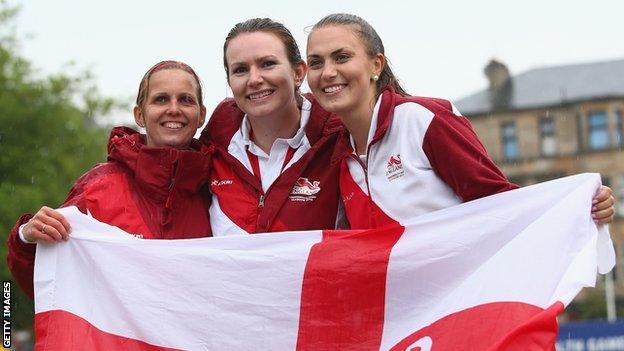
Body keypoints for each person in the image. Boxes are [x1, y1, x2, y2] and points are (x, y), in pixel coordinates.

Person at [305, 13, 615, 229]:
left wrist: (576, 207)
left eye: (341, 57)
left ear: (376, 64)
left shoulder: (424, 120)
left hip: (452, 311)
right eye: (316, 63)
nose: (328, 72)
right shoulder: (334, 152)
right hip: (397, 316)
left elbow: (498, 202)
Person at [6, 60, 213, 298]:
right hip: (114, 337)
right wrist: (27, 241)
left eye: (186, 99)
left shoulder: (218, 190)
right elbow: (44, 283)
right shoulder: (97, 188)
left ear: (201, 115)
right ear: (140, 115)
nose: (174, 109)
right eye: (161, 99)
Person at [199, 18, 345, 235]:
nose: (254, 79)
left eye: (268, 64)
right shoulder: (213, 148)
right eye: (240, 70)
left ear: (298, 73)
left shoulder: (340, 140)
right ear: (230, 82)